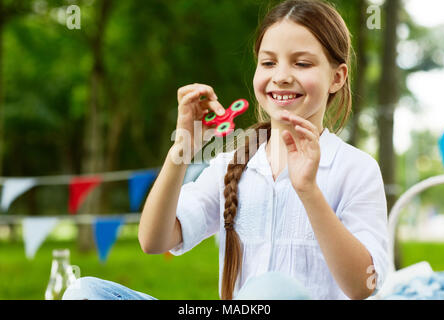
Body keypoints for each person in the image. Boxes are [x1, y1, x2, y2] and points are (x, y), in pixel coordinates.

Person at [63, 0, 388, 300]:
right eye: (268, 62)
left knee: (271, 291)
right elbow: (154, 240)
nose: (282, 76)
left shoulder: (355, 168)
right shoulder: (231, 164)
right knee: (85, 291)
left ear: (337, 77)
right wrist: (182, 149)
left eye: (301, 63)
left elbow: (365, 285)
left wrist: (308, 191)